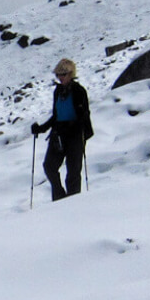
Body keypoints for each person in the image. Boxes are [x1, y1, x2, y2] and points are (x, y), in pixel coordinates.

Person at [31, 58, 94, 201]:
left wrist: (76, 128)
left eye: (63, 74)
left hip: (75, 136)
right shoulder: (58, 92)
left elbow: (83, 114)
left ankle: (72, 202)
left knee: (73, 172)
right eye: (58, 75)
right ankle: (60, 198)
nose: (60, 78)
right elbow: (56, 116)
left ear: (71, 74)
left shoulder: (79, 91)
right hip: (59, 135)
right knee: (49, 166)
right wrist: (41, 128)